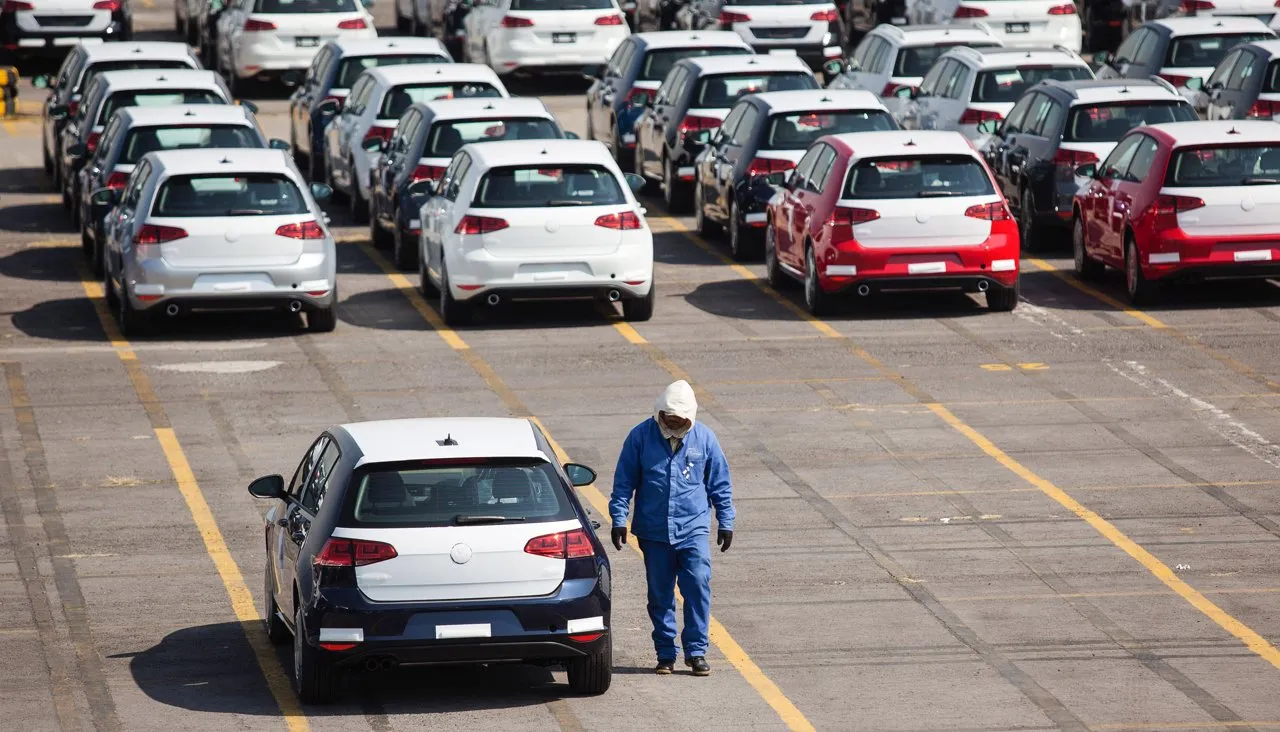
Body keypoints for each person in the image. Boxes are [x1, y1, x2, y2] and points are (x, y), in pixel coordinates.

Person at [609, 380, 735, 676]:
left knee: (698, 585)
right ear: (660, 414)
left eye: (680, 420)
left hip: (693, 530)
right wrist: (618, 519)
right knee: (660, 594)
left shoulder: (705, 439)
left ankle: (696, 651)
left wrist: (725, 521)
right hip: (653, 534)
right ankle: (665, 654)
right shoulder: (640, 437)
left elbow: (720, 484)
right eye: (670, 418)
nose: (674, 423)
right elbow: (623, 482)